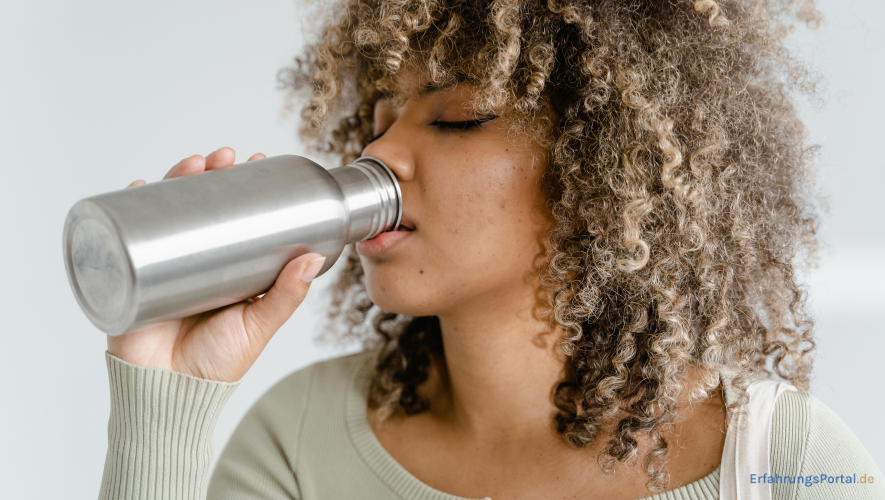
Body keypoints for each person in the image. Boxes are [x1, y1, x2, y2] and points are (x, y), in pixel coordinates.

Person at [98, 0, 883, 499]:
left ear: (601, 164)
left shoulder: (785, 461)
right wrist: (160, 400)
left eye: (458, 117)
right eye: (378, 119)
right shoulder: (299, 441)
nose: (382, 155)